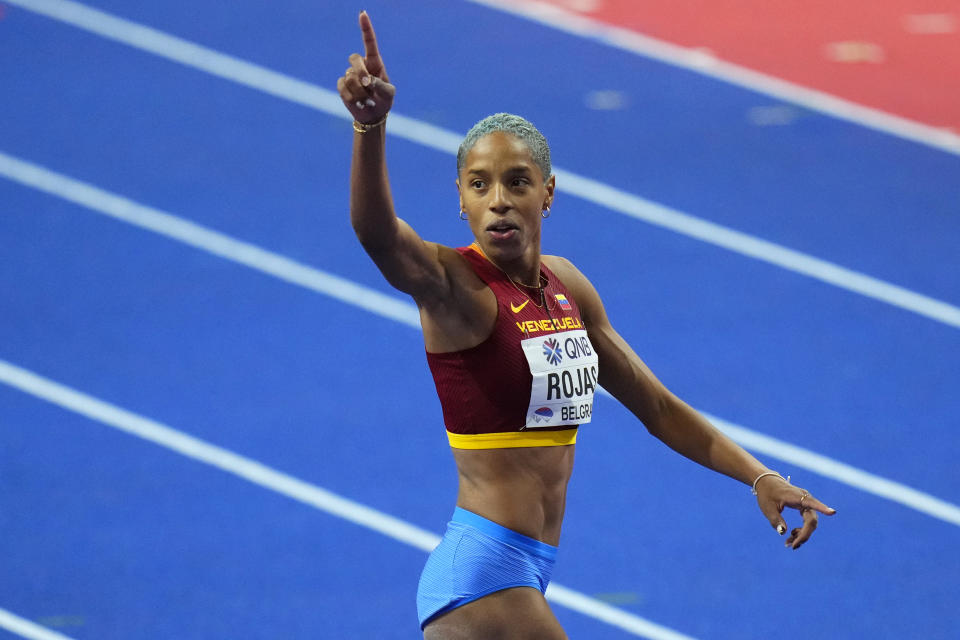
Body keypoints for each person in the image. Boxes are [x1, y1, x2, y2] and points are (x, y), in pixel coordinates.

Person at [337, 11, 836, 639]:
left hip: (528, 569)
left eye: (516, 182)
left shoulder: (566, 286)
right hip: (484, 574)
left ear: (547, 193)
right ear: (460, 199)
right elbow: (377, 234)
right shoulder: (455, 289)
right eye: (479, 184)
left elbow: (654, 405)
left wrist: (758, 476)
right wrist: (370, 125)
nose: (498, 200)